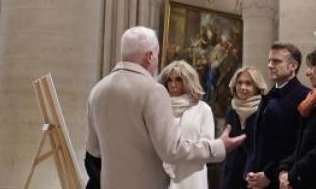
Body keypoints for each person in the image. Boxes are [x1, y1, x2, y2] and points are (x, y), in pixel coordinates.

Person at [85, 26, 246, 189]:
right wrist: (219, 146)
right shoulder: (153, 90)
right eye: (157, 53)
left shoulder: (98, 90)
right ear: (150, 56)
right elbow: (172, 150)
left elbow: (94, 149)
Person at [245, 43, 310, 189]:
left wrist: (269, 174)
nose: (269, 65)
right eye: (269, 61)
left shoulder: (304, 96)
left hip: (283, 180)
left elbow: (296, 144)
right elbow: (259, 141)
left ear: (293, 66)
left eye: (276, 61)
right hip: (258, 179)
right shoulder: (269, 96)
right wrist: (253, 171)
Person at [277, 48, 316, 189]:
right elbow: (302, 146)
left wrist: (293, 175)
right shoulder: (312, 101)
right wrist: (284, 168)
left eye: (312, 67)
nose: (307, 73)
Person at [159, 60, 214, 189]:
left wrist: (179, 152)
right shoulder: (161, 108)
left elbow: (207, 147)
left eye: (178, 80)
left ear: (188, 81)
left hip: (191, 177)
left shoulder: (202, 109)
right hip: (161, 176)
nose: (173, 85)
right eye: (169, 80)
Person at [220, 66, 268, 189]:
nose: (243, 87)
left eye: (248, 83)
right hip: (231, 176)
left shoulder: (265, 110)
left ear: (257, 87)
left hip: (254, 177)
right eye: (239, 83)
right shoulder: (231, 112)